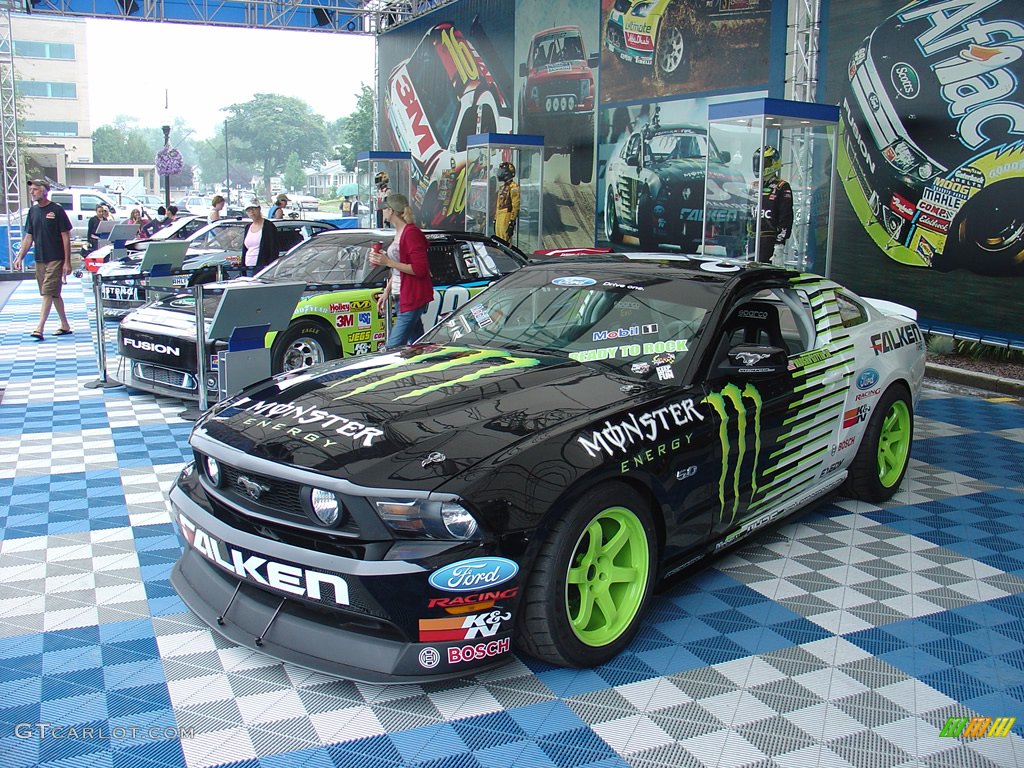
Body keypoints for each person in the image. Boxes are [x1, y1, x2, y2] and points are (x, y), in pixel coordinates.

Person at [13, 179, 74, 340]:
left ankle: (39, 327)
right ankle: (65, 325)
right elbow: (28, 237)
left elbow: (65, 237)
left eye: (35, 189)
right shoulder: (33, 212)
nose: (32, 192)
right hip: (40, 258)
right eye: (31, 189)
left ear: (44, 191)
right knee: (52, 293)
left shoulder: (57, 210)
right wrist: (20, 256)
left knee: (48, 291)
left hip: (56, 257)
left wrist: (67, 261)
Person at [369, 193, 431, 348]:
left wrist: (388, 261)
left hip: (411, 296)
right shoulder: (400, 233)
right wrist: (387, 291)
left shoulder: (411, 233)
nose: (382, 212)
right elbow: (399, 268)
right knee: (417, 345)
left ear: (390, 210)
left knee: (393, 347)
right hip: (401, 295)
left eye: (384, 209)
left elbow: (419, 269)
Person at [750, 145, 793, 265]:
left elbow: (786, 217)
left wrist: (779, 244)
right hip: (752, 238)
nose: (759, 166)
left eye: (764, 162)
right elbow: (747, 212)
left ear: (773, 163)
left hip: (769, 239)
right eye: (757, 162)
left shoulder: (782, 186)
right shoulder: (754, 186)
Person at [242, 200, 280, 275]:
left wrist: (270, 267)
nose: (252, 212)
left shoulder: (268, 226)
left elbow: (274, 248)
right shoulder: (248, 227)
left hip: (262, 267)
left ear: (259, 209)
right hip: (248, 266)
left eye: (254, 209)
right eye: (249, 210)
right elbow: (245, 249)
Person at [494, 161, 520, 242]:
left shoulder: (514, 187)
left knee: (505, 240)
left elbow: (515, 206)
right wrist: (495, 218)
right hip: (499, 215)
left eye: (502, 171)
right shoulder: (502, 187)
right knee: (498, 239)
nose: (499, 173)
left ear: (507, 173)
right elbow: (498, 204)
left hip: (506, 215)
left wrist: (512, 222)